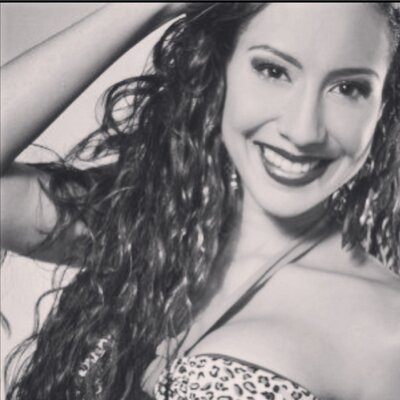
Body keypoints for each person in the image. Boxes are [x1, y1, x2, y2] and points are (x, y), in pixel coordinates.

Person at [1, 2, 400, 399]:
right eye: (273, 70)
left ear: (383, 106)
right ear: (220, 69)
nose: (303, 130)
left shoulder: (385, 329)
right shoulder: (142, 227)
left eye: (349, 88)